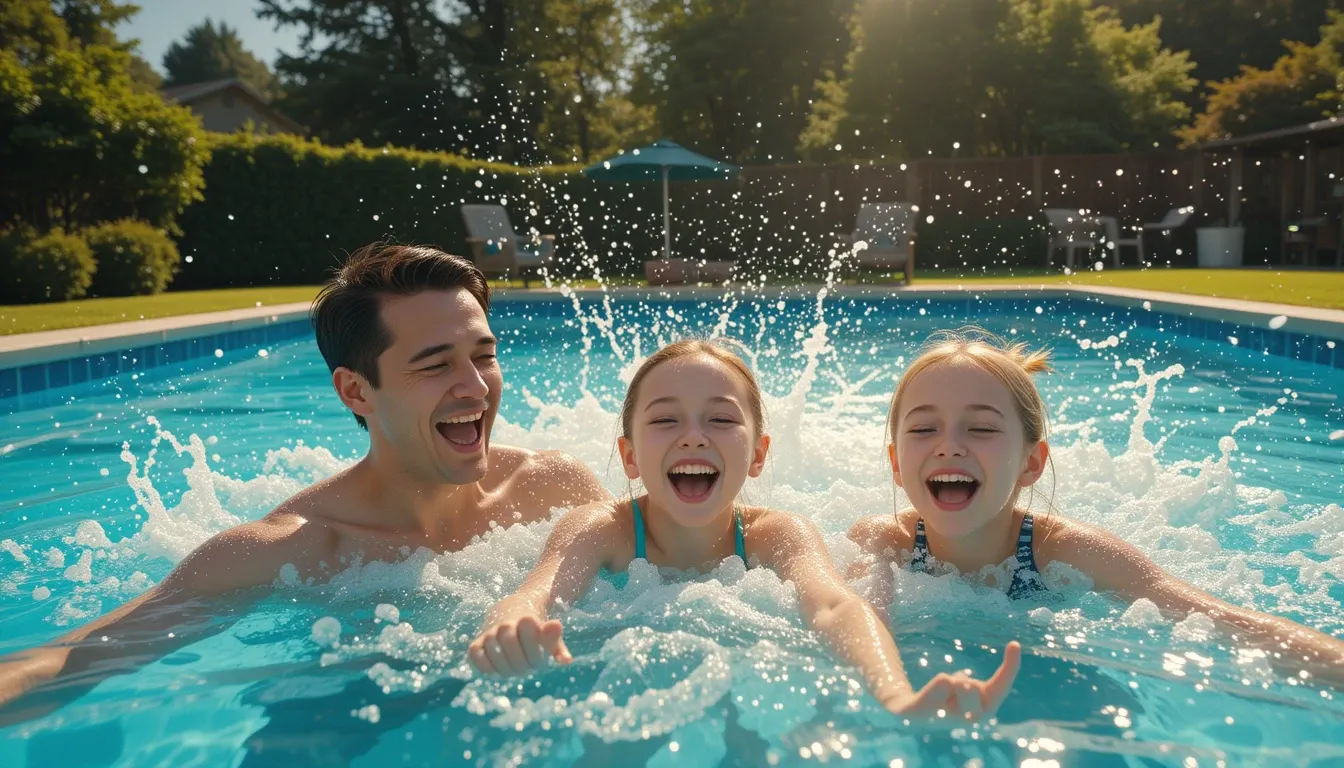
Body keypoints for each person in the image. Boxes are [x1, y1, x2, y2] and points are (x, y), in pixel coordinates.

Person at [0, 243, 611, 716]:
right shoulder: (291, 548)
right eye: (435, 365)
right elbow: (75, 656)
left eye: (484, 354)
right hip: (345, 708)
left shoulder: (554, 487)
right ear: (354, 389)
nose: (476, 388)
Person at [469, 339, 1022, 720]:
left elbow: (835, 607)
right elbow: (534, 595)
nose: (693, 437)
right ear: (630, 455)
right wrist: (510, 631)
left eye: (721, 418)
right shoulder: (601, 529)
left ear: (758, 454)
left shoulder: (774, 534)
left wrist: (894, 694)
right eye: (665, 419)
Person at [848, 327, 1344, 686]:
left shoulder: (1069, 554)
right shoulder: (883, 541)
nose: (949, 445)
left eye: (981, 428)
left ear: (1031, 462)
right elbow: (859, 629)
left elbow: (1210, 617)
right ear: (895, 461)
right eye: (922, 428)